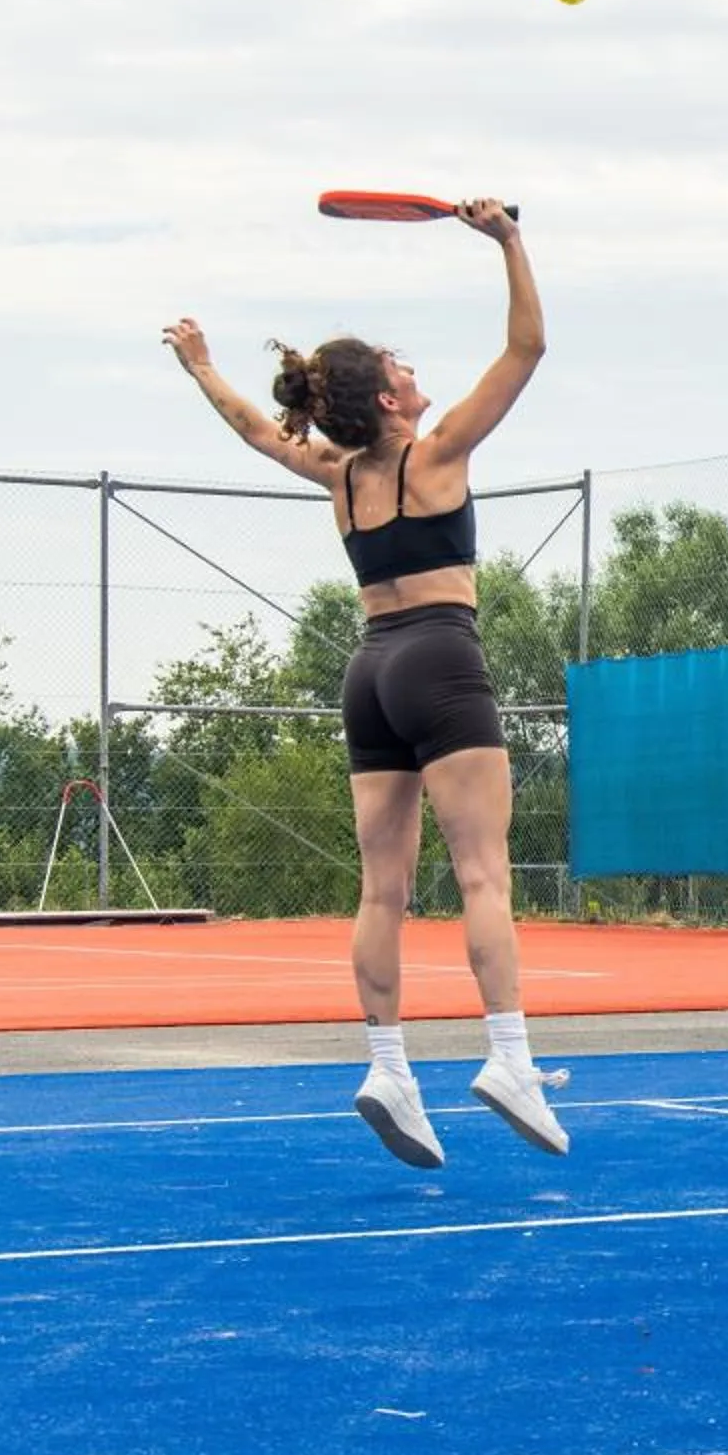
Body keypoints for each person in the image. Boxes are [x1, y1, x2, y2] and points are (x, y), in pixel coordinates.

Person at [162, 198, 566, 1167]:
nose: (416, 374)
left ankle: (388, 1064)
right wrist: (509, 240)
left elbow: (258, 430)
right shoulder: (437, 456)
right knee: (481, 873)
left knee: (381, 891)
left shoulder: (339, 475)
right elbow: (528, 349)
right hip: (439, 657)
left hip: (370, 671)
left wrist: (200, 364)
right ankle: (508, 1054)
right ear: (388, 401)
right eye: (402, 368)